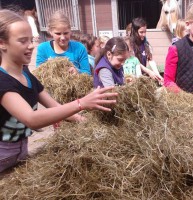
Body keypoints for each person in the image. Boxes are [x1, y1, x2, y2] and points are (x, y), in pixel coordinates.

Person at [0, 9, 118, 172]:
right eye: (22, 41)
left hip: (21, 150)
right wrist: (81, 103)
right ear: (2, 43)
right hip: (3, 154)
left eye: (31, 40)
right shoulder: (3, 80)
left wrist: (88, 123)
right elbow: (31, 119)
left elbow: (55, 106)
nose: (31, 46)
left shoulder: (26, 75)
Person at [130, 17, 163, 83]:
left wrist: (158, 75)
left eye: (145, 32)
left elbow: (150, 60)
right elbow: (135, 62)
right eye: (141, 32)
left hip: (142, 77)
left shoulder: (145, 43)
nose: (144, 34)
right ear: (135, 31)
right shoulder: (130, 44)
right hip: (133, 78)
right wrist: (149, 71)